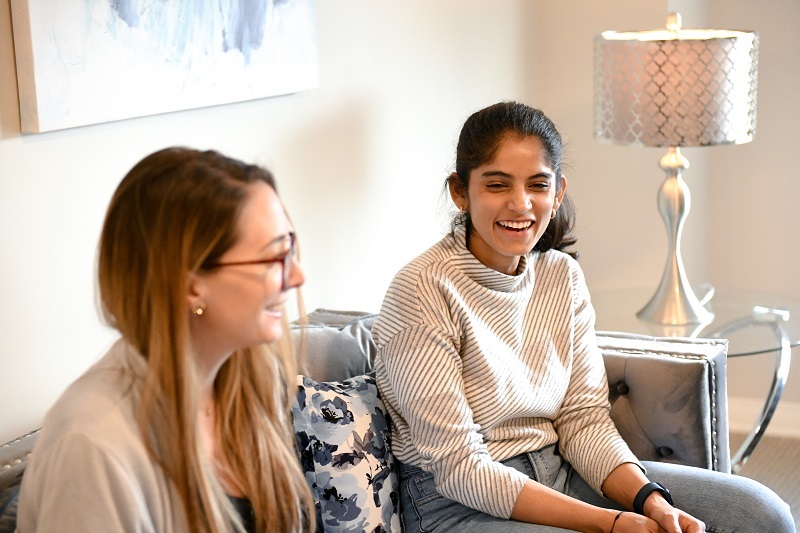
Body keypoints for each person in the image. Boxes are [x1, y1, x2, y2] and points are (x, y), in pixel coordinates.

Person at [372, 102, 795, 532]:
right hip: (456, 505)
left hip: (559, 473)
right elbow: (458, 466)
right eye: (497, 185)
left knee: (762, 515)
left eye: (537, 185)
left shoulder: (562, 276)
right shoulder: (421, 291)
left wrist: (650, 501)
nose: (520, 204)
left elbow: (583, 419)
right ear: (460, 192)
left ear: (557, 193)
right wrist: (610, 523)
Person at [17, 148, 314, 532]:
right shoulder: (92, 446)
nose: (298, 276)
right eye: (275, 258)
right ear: (190, 286)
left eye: (290, 248)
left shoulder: (250, 381)